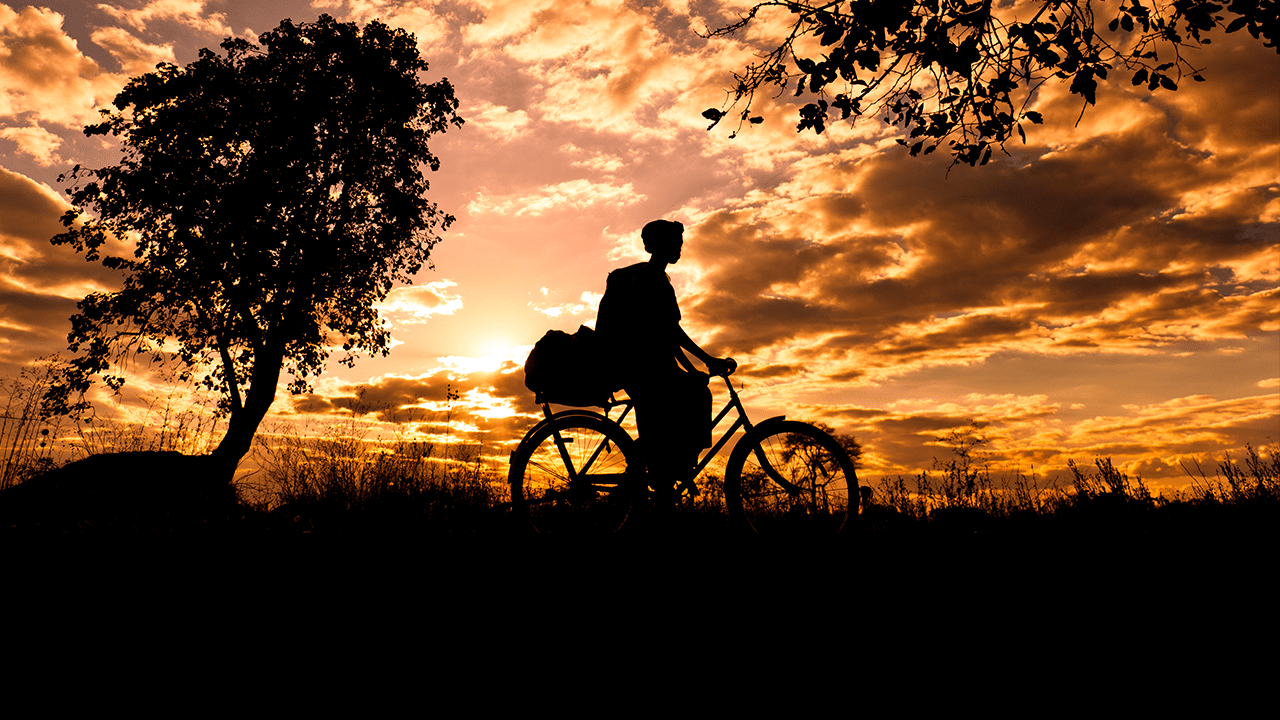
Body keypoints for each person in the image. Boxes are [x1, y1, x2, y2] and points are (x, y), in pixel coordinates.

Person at [595, 219, 734, 494]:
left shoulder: (650, 277)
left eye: (680, 244)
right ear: (658, 246)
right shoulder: (652, 280)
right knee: (698, 395)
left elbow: (665, 335)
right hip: (642, 367)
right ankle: (671, 469)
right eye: (674, 244)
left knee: (674, 414)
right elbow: (670, 331)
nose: (679, 249)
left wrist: (692, 368)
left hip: (642, 365)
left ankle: (661, 474)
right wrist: (708, 361)